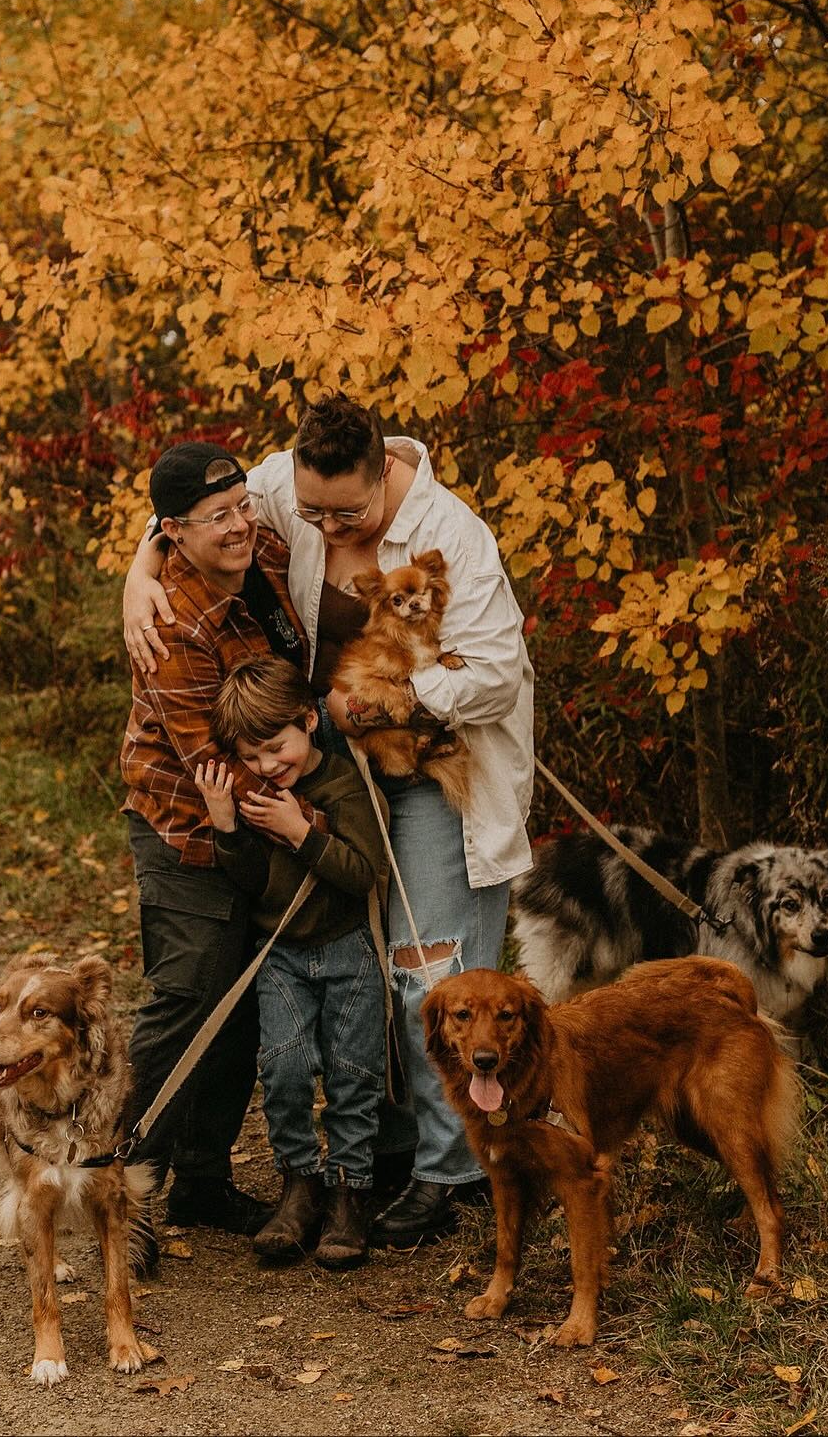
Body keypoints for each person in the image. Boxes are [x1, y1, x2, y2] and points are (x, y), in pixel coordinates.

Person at [124, 395, 534, 1245]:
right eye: (309, 510)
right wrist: (141, 572)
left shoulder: (452, 533)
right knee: (371, 971)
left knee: (430, 966)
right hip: (334, 770)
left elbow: (498, 672)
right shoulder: (286, 486)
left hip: (432, 773)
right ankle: (384, 1148)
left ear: (382, 469)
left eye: (344, 511)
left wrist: (389, 699)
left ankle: (448, 1171)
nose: (321, 522)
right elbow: (191, 518)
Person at [120, 439, 330, 1237]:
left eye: (243, 506)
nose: (242, 525)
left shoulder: (266, 549)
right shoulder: (171, 621)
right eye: (219, 519)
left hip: (260, 821)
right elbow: (204, 761)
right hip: (184, 823)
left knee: (242, 1005)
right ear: (174, 530)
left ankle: (202, 1182)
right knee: (189, 998)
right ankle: (125, 1180)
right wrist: (308, 814)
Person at [195, 655, 386, 1270]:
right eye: (251, 759)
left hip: (347, 951)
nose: (268, 767)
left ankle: (351, 1194)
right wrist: (228, 828)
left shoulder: (343, 786)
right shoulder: (261, 797)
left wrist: (301, 831)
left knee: (353, 1075)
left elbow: (363, 875)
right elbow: (254, 883)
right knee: (282, 1071)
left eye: (277, 748)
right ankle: (299, 1187)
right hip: (279, 956)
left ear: (309, 721)